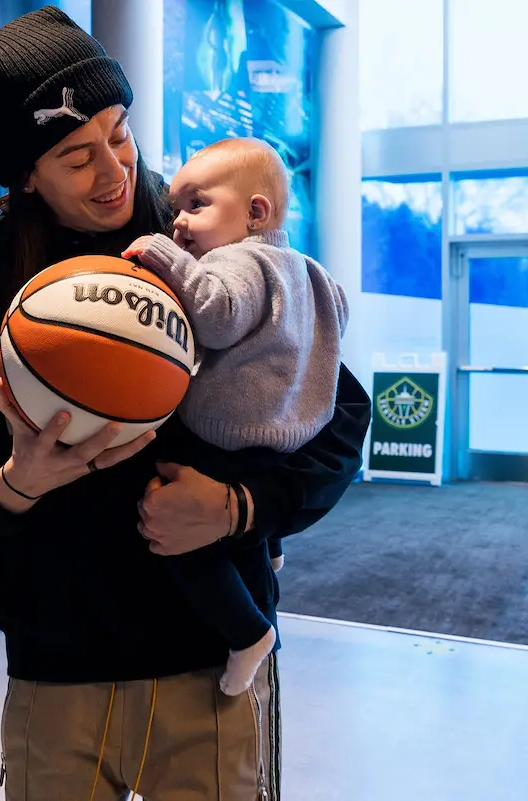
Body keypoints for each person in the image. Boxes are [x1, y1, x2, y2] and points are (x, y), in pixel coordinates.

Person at [0, 8, 371, 800]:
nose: (113, 169)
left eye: (120, 133)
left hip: (212, 668)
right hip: (58, 674)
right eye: (77, 156)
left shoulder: (209, 247)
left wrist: (240, 506)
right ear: (23, 173)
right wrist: (20, 482)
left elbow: (338, 416)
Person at [121, 137, 349, 696]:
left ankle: (248, 633)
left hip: (223, 435)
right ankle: (268, 553)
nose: (178, 223)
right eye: (174, 209)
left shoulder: (238, 259)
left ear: (254, 213)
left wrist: (163, 257)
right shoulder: (307, 270)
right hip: (283, 435)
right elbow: (339, 315)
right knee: (243, 537)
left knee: (181, 538)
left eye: (195, 205)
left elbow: (217, 318)